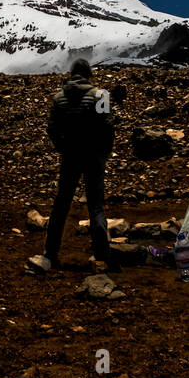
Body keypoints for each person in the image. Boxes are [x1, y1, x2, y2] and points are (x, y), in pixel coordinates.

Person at [27, 58, 117, 274]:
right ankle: (101, 256)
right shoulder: (101, 95)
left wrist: (62, 147)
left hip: (70, 156)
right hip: (94, 156)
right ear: (89, 75)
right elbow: (108, 126)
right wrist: (104, 153)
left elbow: (51, 128)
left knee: (61, 204)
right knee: (95, 205)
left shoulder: (59, 99)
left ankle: (51, 253)